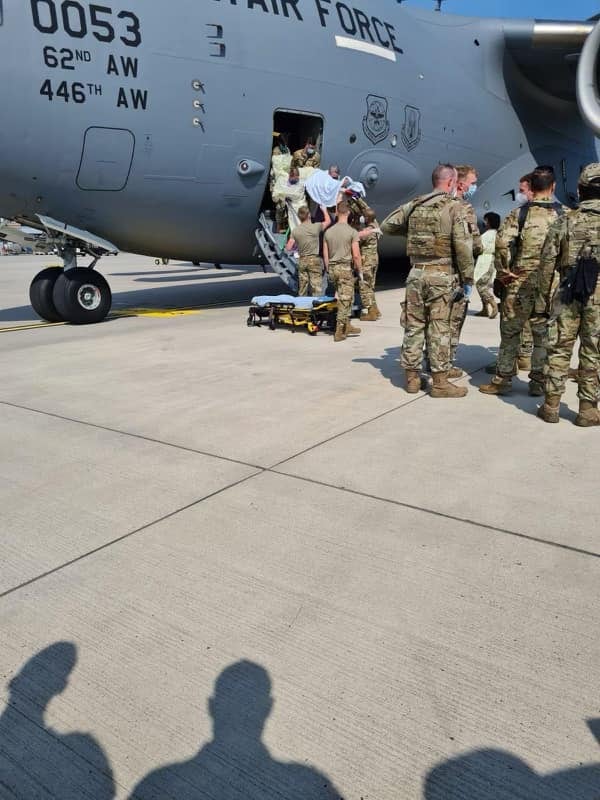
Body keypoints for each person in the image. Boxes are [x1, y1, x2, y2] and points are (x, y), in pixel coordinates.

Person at [381, 164, 475, 398]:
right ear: (452, 182)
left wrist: (414, 233)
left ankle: (412, 379)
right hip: (441, 275)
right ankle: (440, 383)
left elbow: (386, 225)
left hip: (416, 274)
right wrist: (468, 278)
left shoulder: (416, 204)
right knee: (439, 328)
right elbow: (463, 247)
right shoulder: (455, 208)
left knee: (413, 326)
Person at [480, 165, 567, 397]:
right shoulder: (564, 214)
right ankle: (538, 382)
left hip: (519, 282)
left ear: (533, 187)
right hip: (550, 285)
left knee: (510, 333)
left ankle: (503, 380)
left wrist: (503, 271)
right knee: (543, 335)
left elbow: (502, 245)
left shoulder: (519, 214)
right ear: (553, 187)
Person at [536, 163, 600, 427]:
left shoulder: (565, 221)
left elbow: (546, 264)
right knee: (593, 351)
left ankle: (551, 406)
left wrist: (541, 303)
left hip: (566, 291)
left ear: (580, 190)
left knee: (559, 348)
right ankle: (587, 409)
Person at [447, 165, 483, 377]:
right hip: (456, 275)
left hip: (432, 271)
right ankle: (446, 363)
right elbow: (475, 245)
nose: (473, 187)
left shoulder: (435, 205)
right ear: (461, 184)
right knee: (453, 321)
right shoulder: (464, 209)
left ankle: (428, 358)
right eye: (471, 183)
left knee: (432, 320)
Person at [323, 199, 362, 342]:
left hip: (333, 268)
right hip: (345, 268)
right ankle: (339, 330)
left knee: (346, 297)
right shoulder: (352, 232)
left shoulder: (328, 232)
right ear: (349, 212)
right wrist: (360, 271)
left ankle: (348, 324)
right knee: (346, 300)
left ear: (337, 213)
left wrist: (329, 269)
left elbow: (325, 254)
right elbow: (356, 255)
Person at [285, 204, 331, 296]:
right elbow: (328, 221)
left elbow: (288, 247)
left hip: (302, 260)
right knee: (316, 287)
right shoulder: (316, 227)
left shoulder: (295, 231)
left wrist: (298, 245)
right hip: (314, 260)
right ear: (309, 215)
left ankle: (302, 305)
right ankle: (316, 305)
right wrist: (324, 210)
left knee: (303, 287)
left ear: (299, 217)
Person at [357, 208, 382, 321]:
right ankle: (375, 309)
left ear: (367, 218)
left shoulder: (367, 232)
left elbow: (357, 238)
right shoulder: (376, 226)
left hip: (366, 260)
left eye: (364, 216)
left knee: (364, 286)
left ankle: (371, 311)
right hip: (374, 259)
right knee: (371, 285)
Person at [474, 211, 500, 318]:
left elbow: (478, 248)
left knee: (480, 284)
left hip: (485, 261)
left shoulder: (486, 235)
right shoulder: (497, 235)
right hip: (492, 260)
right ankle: (485, 309)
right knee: (484, 284)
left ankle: (492, 303)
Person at [271, 166, 306, 233]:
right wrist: (283, 197)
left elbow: (298, 194)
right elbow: (276, 194)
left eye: (297, 177)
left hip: (296, 202)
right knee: (279, 206)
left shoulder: (301, 180)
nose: (296, 179)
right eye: (294, 178)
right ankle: (279, 227)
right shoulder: (283, 179)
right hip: (284, 200)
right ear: (290, 176)